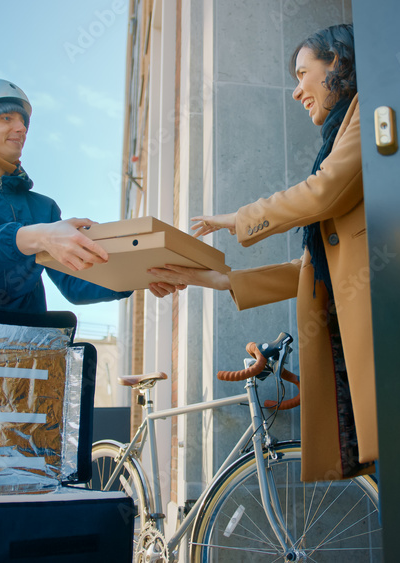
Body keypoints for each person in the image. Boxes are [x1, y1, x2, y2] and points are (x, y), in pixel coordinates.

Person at [148, 24, 376, 482]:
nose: (295, 92)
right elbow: (311, 270)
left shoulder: (370, 110)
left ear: (339, 63)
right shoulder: (339, 132)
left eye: (301, 73)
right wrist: (213, 278)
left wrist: (240, 218)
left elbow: (322, 192)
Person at [0, 78, 134, 314]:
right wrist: (39, 236)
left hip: (29, 342)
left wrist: (135, 275)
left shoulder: (43, 208)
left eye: (23, 121)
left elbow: (73, 283)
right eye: (7, 118)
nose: (21, 129)